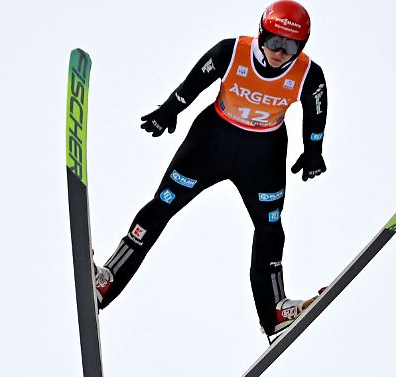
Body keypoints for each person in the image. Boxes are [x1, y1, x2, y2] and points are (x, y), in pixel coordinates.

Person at [94, 0, 329, 337]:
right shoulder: (231, 52)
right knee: (160, 207)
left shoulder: (309, 74)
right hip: (210, 143)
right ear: (262, 33)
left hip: (263, 155)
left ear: (301, 46)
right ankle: (107, 281)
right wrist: (168, 110)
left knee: (270, 230)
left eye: (290, 46)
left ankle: (274, 313)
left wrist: (314, 150)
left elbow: (316, 112)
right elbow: (193, 84)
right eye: (275, 41)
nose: (280, 52)